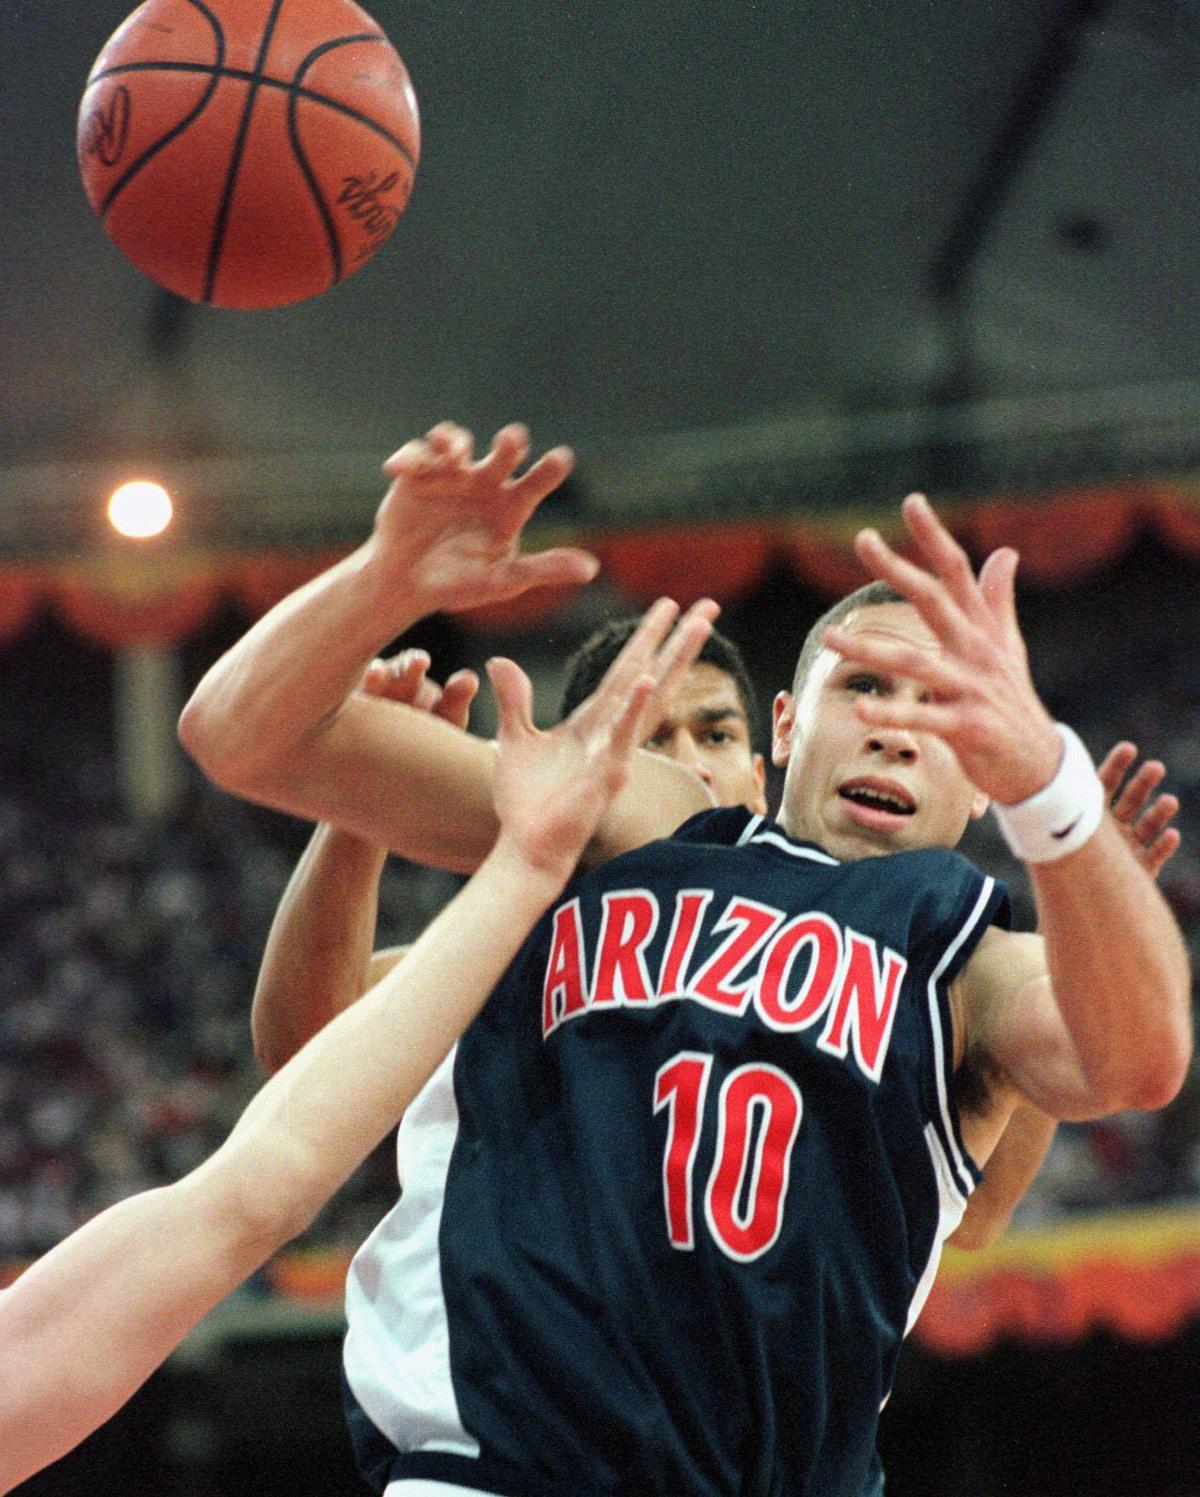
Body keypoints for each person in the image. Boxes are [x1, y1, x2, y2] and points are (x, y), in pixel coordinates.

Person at [178, 421, 1192, 1497]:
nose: (898, 729)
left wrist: (1060, 808)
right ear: (789, 730)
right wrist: (383, 582)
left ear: (987, 772)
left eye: (945, 704)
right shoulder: (650, 826)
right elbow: (242, 738)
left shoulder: (973, 957)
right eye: (868, 690)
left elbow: (1135, 1064)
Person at [0, 601, 715, 1496]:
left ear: (770, 764)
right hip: (500, 1454)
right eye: (641, 739)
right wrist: (380, 818)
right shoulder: (517, 961)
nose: (673, 766)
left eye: (712, 734)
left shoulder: (859, 973)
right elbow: (290, 1091)